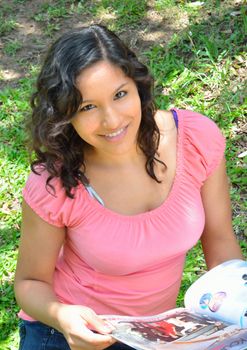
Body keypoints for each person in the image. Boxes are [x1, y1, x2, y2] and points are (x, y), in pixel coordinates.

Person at [14, 24, 243, 350]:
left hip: (153, 337)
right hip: (67, 336)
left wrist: (239, 312)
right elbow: (29, 282)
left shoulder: (195, 140)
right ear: (65, 115)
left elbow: (221, 244)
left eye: (120, 94)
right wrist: (64, 317)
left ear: (138, 87)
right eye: (87, 107)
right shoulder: (56, 182)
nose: (112, 121)